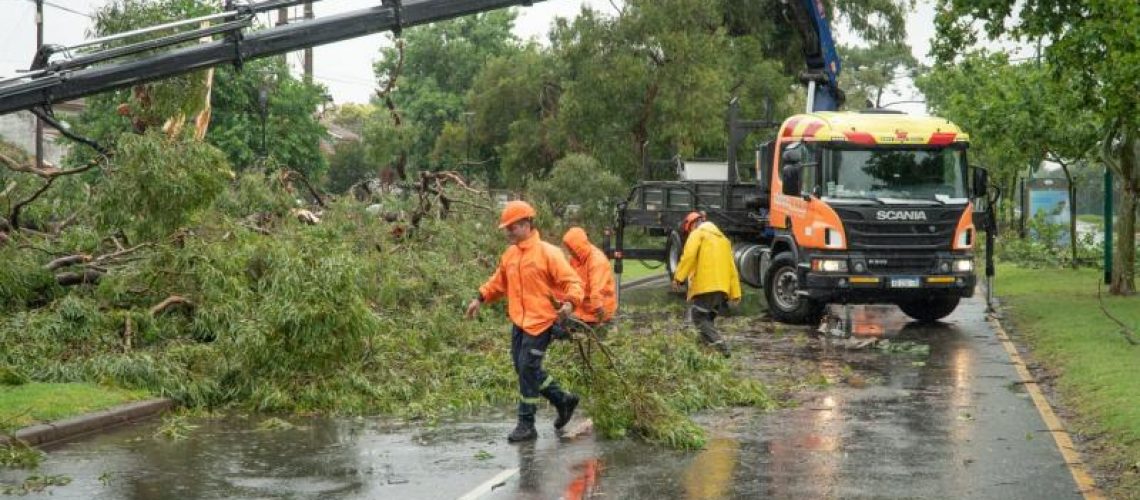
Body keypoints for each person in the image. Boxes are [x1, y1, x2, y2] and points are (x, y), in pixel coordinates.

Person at [465, 200, 584, 443]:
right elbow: (498, 283)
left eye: (512, 228)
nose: (508, 232)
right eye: (506, 228)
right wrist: (480, 298)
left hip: (542, 322)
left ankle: (526, 424)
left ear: (527, 224)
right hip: (519, 322)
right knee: (523, 368)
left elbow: (573, 282)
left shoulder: (548, 253)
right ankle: (563, 399)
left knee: (527, 369)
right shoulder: (510, 255)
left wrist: (570, 303)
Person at [671, 212, 740, 357]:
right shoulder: (724, 240)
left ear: (692, 225)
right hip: (721, 290)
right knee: (707, 321)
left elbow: (688, 256)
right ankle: (705, 354)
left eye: (689, 230)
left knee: (698, 318)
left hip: (706, 287)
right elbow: (731, 267)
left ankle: (723, 350)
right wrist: (735, 292)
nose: (690, 233)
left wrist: (678, 278)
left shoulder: (698, 234)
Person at [560, 227, 617, 326]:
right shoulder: (575, 260)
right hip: (582, 311)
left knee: (600, 338)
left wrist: (599, 312)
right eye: (569, 248)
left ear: (578, 246)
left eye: (571, 249)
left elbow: (597, 290)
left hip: (600, 312)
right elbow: (570, 281)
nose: (570, 252)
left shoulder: (597, 261)